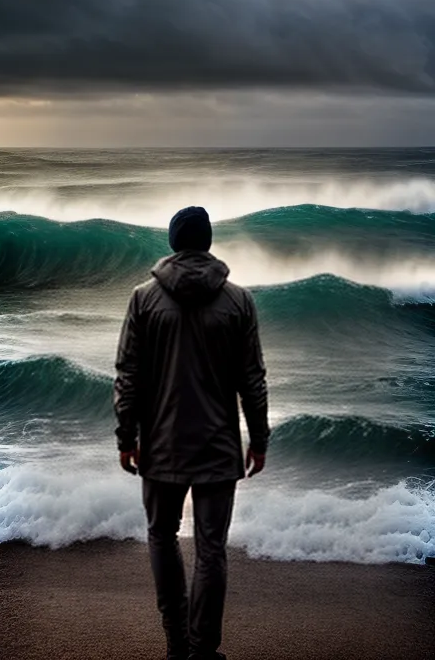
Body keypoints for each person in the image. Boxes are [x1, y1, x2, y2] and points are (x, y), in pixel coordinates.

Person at [114, 205, 269, 660]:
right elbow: (252, 380)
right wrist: (258, 440)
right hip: (218, 446)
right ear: (208, 243)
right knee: (211, 549)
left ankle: (176, 646)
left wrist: (127, 437)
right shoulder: (239, 301)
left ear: (172, 242)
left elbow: (128, 375)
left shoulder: (144, 298)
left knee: (162, 536)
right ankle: (203, 651)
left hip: (160, 444)